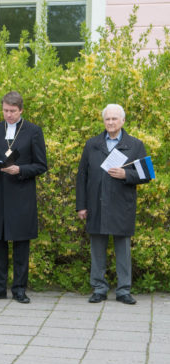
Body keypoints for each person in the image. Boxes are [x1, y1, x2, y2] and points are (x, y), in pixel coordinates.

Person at [76, 104, 150, 305]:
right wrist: (81, 205)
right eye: (107, 119)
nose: (110, 122)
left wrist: (126, 174)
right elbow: (82, 176)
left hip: (121, 205)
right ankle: (99, 288)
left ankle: (123, 290)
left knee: (123, 249)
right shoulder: (92, 144)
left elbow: (147, 175)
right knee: (97, 248)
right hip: (96, 204)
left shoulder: (135, 145)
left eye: (114, 119)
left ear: (123, 121)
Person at [0, 91, 47, 304]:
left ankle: (19, 289)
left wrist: (20, 170)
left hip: (21, 194)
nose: (8, 115)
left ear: (21, 110)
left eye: (12, 111)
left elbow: (41, 165)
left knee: (20, 244)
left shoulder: (33, 131)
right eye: (5, 110)